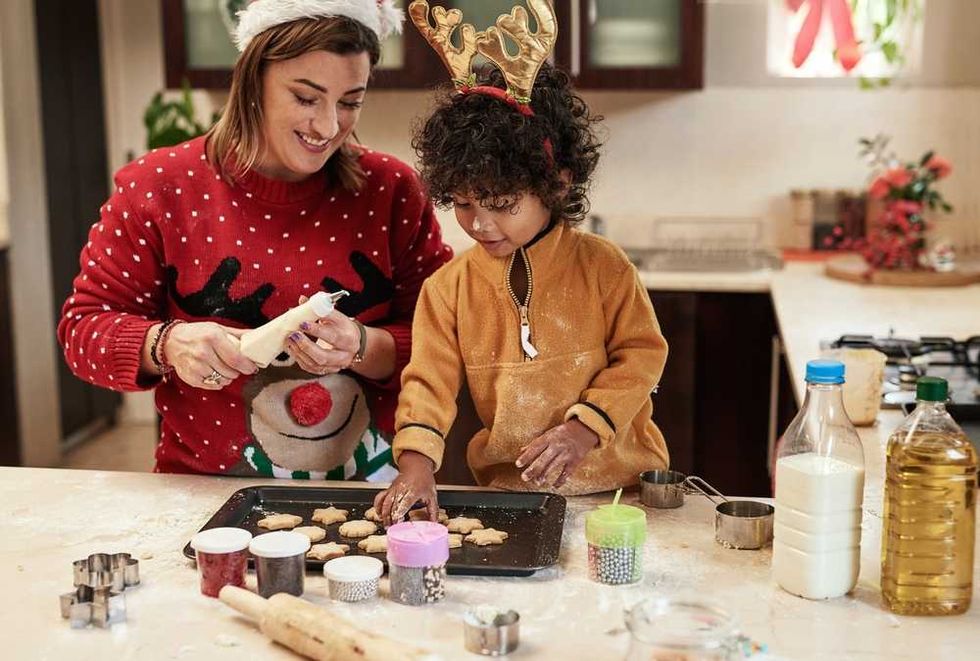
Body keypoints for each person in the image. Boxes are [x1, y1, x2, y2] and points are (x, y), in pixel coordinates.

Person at [57, 0, 452, 480]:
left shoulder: (390, 191)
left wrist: (362, 346)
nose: (328, 126)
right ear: (253, 80)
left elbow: (445, 340)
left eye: (350, 102)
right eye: (306, 98)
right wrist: (167, 343)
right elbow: (83, 333)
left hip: (372, 494)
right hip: (205, 495)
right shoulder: (159, 187)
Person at [374, 0, 669, 523]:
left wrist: (584, 430)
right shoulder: (448, 290)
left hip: (623, 494)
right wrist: (416, 465)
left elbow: (642, 356)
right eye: (463, 204)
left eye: (502, 205)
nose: (480, 224)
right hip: (514, 498)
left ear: (556, 184)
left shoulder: (604, 267)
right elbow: (427, 386)